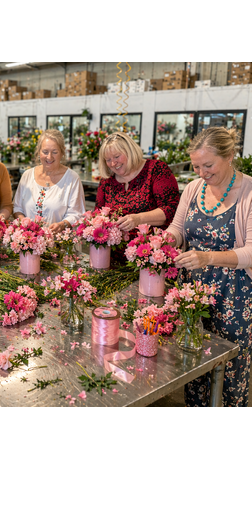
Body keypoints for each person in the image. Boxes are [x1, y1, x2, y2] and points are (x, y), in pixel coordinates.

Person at [167, 127, 252, 407]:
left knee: (230, 365)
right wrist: (164, 240)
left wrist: (207, 257)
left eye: (208, 165)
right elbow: (178, 229)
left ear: (229, 156)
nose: (201, 172)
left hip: (235, 295)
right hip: (192, 292)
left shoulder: (249, 192)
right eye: (196, 166)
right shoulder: (193, 189)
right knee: (192, 359)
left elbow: (251, 251)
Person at [96, 132, 180, 233]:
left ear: (130, 151)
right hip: (113, 247)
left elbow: (171, 209)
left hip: (151, 244)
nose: (113, 163)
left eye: (117, 156)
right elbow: (98, 214)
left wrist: (139, 219)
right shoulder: (107, 181)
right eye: (108, 160)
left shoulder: (156, 170)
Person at [13, 129, 85, 233]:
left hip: (58, 245)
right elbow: (17, 207)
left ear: (62, 152)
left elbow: (77, 213)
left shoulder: (72, 179)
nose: (49, 157)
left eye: (54, 152)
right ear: (39, 151)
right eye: (45, 152)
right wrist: (24, 222)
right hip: (28, 242)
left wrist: (62, 225)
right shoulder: (27, 176)